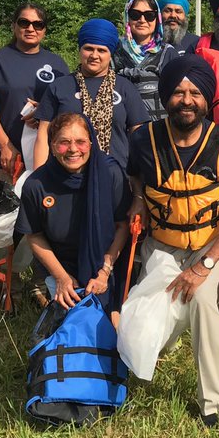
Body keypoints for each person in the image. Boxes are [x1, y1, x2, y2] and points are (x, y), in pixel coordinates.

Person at [124, 54, 219, 427]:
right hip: (162, 244)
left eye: (195, 92)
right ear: (166, 98)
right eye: (178, 92)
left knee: (201, 305)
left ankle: (215, 402)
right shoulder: (144, 141)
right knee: (146, 310)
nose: (186, 99)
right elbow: (136, 181)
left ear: (206, 99)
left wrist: (204, 266)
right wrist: (138, 203)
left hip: (207, 245)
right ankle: (151, 353)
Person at [17, 113, 133, 329]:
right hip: (62, 267)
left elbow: (122, 225)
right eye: (64, 143)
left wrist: (105, 270)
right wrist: (61, 277)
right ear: (52, 146)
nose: (73, 149)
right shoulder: (36, 184)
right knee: (75, 329)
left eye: (80, 142)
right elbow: (34, 234)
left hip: (109, 264)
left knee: (113, 331)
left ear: (91, 143)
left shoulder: (110, 173)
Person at [34, 19, 149, 171]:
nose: (94, 55)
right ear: (80, 50)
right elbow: (43, 135)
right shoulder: (60, 86)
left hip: (115, 176)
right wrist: (37, 179)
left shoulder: (125, 87)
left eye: (101, 50)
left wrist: (137, 182)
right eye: (89, 49)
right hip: (65, 177)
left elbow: (138, 138)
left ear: (111, 54)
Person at [0, 3, 70, 174]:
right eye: (24, 23)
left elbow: (67, 107)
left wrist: (45, 110)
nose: (31, 28)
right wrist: (5, 145)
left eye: (38, 24)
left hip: (49, 154)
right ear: (14, 26)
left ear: (45, 30)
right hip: (10, 156)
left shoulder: (57, 64)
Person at [114, 0, 182, 120]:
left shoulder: (168, 53)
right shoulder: (114, 51)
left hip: (157, 129)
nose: (142, 20)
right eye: (135, 14)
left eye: (149, 15)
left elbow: (178, 95)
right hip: (121, 129)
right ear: (127, 17)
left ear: (157, 19)